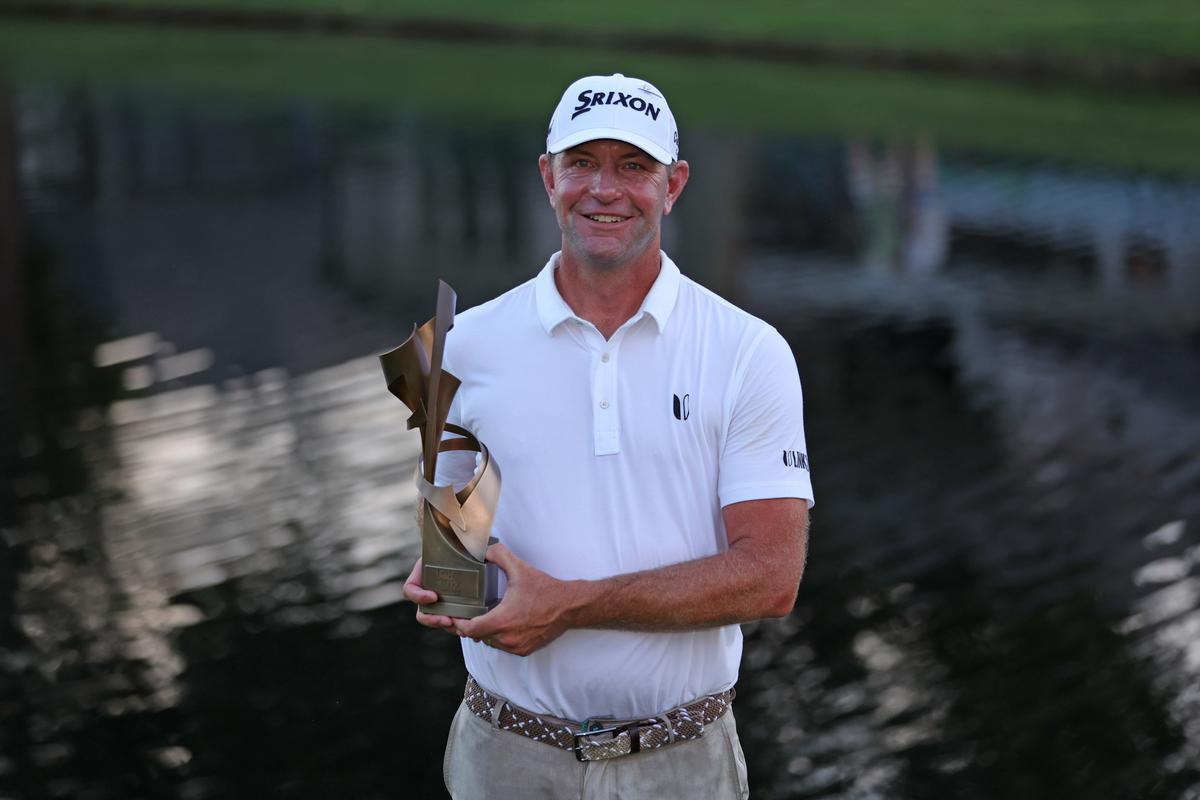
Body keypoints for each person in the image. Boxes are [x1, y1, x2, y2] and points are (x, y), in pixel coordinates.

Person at [402, 73, 813, 800]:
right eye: (582, 162)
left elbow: (773, 576)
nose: (604, 189)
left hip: (682, 762)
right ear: (547, 176)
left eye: (633, 166)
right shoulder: (460, 348)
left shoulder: (748, 351)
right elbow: (458, 541)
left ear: (675, 183)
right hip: (506, 757)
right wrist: (446, 579)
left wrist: (571, 603)